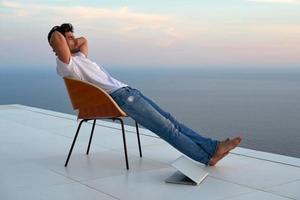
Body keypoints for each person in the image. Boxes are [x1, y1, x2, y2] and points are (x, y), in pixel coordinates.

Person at [48, 23, 242, 166]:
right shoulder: (66, 65)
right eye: (69, 38)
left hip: (129, 93)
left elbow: (84, 41)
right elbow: (56, 37)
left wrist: (71, 37)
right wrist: (60, 33)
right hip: (121, 98)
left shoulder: (79, 57)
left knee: (171, 121)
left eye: (73, 37)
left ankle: (212, 147)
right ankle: (206, 157)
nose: (74, 39)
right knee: (167, 128)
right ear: (59, 46)